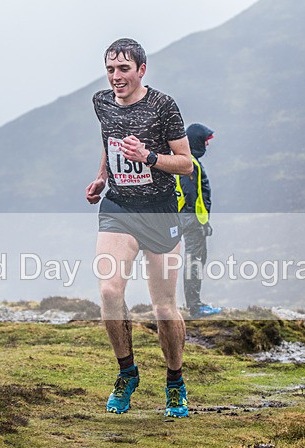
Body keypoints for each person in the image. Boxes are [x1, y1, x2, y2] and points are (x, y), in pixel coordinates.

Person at [85, 38, 193, 418]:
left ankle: (175, 382)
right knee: (110, 289)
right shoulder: (101, 103)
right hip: (119, 208)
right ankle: (127, 373)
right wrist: (101, 178)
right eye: (111, 69)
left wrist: (147, 156)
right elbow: (108, 141)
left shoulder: (164, 106)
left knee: (164, 307)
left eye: (124, 69)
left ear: (141, 70)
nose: (116, 77)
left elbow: (186, 163)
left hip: (160, 212)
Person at [176, 123, 223, 319]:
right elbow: (192, 196)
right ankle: (196, 308)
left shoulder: (187, 160)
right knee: (194, 260)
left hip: (188, 219)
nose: (207, 145)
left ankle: (193, 305)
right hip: (192, 220)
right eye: (205, 141)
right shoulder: (190, 163)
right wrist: (201, 222)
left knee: (194, 260)